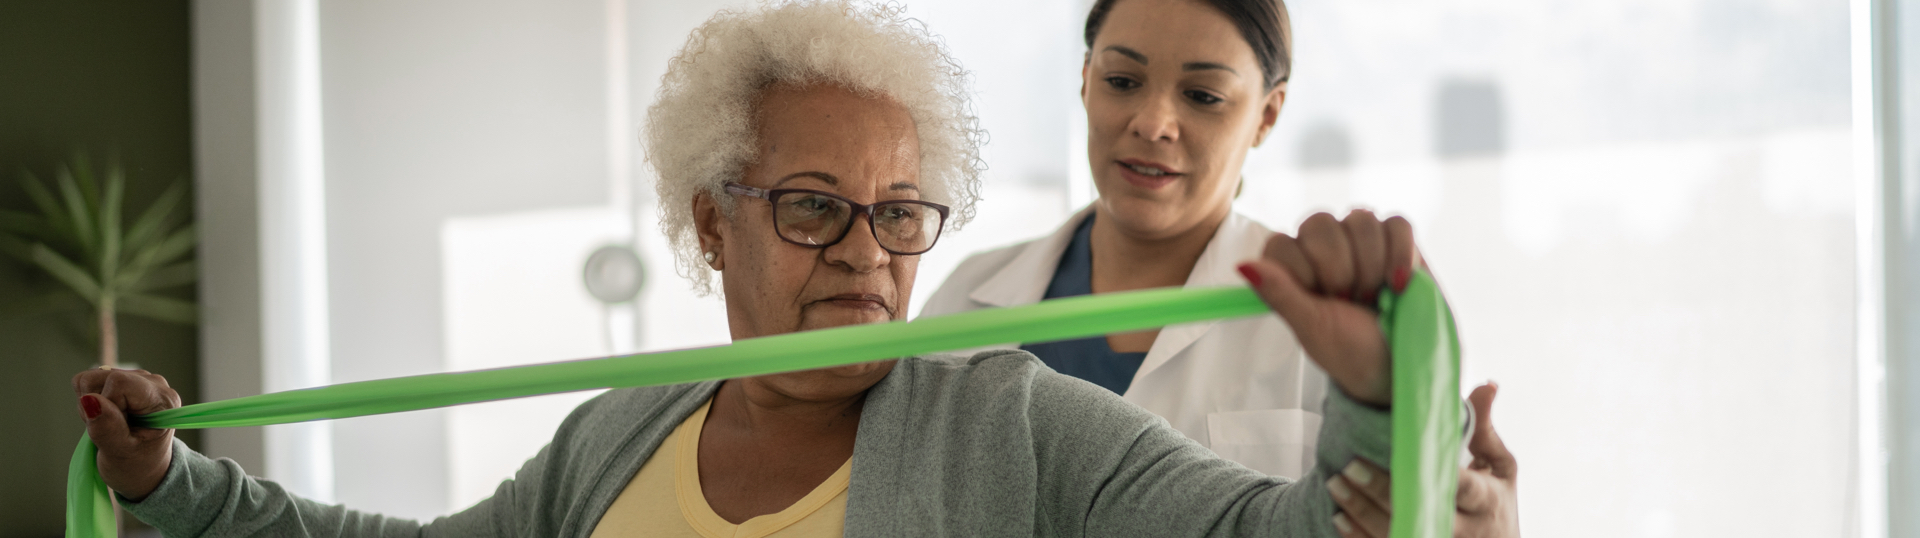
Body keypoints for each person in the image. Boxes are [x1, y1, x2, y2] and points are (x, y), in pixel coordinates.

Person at [76, 1, 1424, 537]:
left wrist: (1375, 405)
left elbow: (1282, 536)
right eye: (812, 209)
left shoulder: (1013, 418)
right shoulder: (613, 438)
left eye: (901, 216)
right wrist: (173, 482)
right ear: (712, 220)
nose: (864, 257)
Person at [921, 0, 1520, 536]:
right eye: (1122, 80)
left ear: (1267, 115)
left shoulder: (1336, 320)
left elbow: (1430, 514)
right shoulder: (967, 297)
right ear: (1084, 82)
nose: (1153, 122)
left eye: (1203, 96)